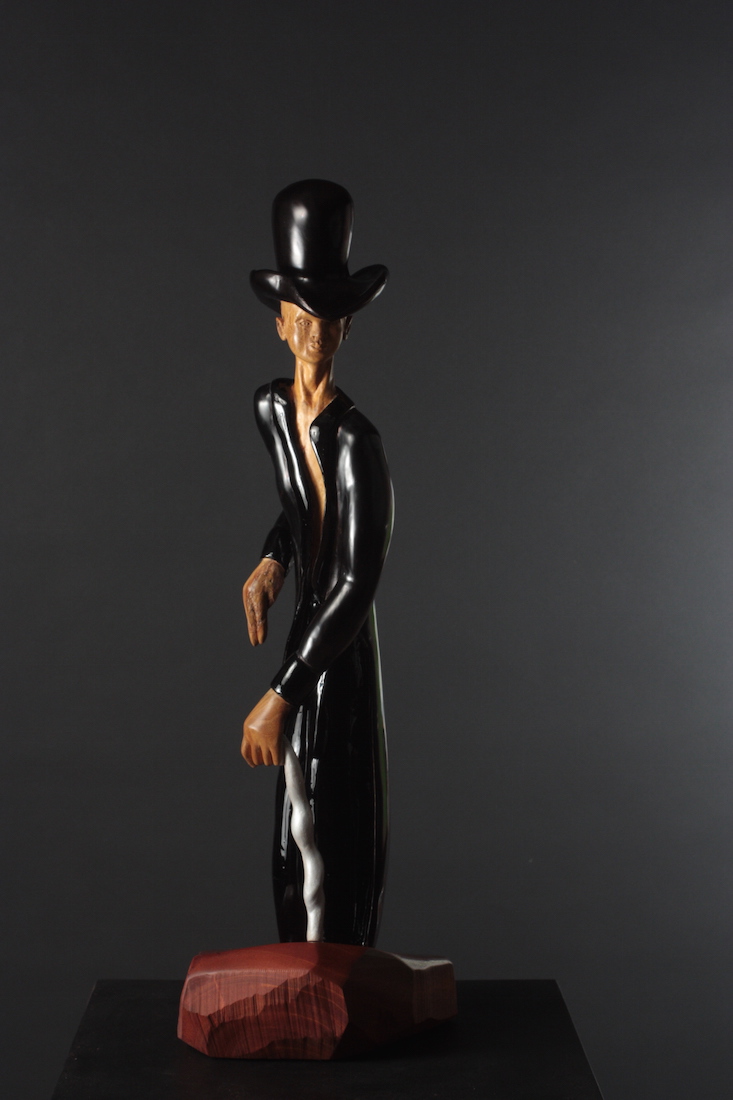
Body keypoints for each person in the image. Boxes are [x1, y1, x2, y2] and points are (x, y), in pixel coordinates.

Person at [241, 180, 393, 946]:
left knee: (335, 811)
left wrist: (282, 690)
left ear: (345, 328)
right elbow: (303, 511)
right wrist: (273, 557)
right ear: (279, 323)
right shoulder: (272, 409)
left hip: (337, 638)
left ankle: (341, 969)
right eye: (301, 318)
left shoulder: (357, 440)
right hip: (305, 619)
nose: (314, 334)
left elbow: (357, 579)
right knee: (290, 820)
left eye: (328, 320)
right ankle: (294, 968)